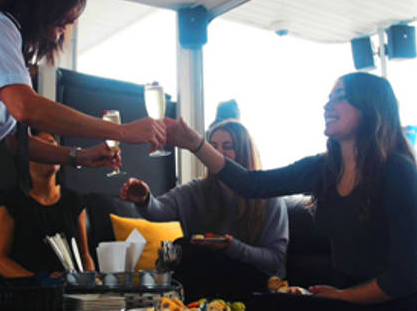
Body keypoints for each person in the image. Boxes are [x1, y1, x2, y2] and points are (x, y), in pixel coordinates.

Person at [0, 0, 166, 281]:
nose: (62, 32)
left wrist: (79, 157)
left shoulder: (13, 52)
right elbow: (27, 108)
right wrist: (122, 131)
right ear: (40, 4)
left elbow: (15, 143)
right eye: (62, 20)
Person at [165, 72, 417, 307]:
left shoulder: (398, 171)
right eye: (328, 98)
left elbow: (404, 276)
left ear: (371, 106)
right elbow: (251, 184)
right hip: (343, 290)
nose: (327, 106)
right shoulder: (324, 168)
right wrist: (195, 143)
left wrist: (343, 296)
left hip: (391, 300)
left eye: (340, 97)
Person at [120, 120, 288, 302]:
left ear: (244, 152)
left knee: (190, 252)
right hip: (209, 275)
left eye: (227, 146)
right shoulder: (197, 189)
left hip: (257, 281)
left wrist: (232, 247)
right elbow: (160, 210)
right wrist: (144, 199)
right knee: (181, 248)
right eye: (213, 146)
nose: (218, 153)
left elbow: (274, 259)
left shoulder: (269, 197)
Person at [0, 131, 94, 278]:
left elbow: (84, 256)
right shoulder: (11, 203)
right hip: (29, 291)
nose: (49, 154)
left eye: (52, 147)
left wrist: (89, 284)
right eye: (42, 150)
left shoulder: (74, 201)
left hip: (70, 290)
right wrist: (39, 281)